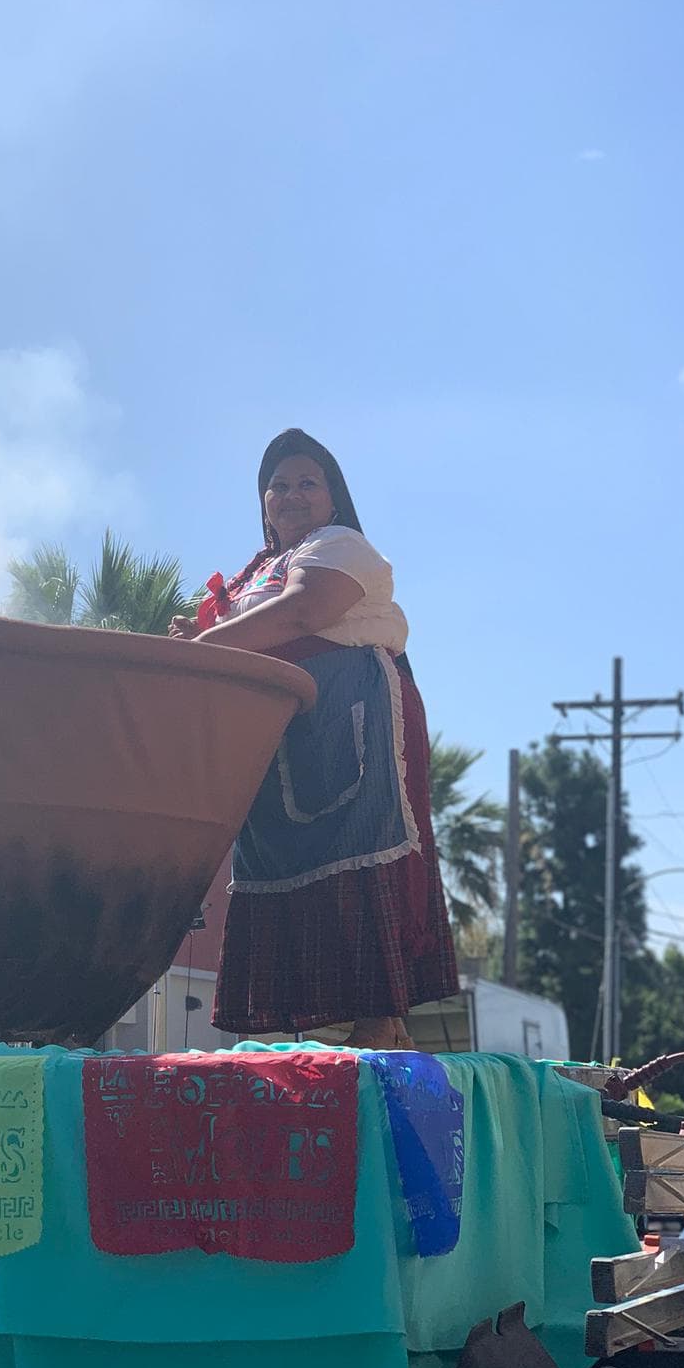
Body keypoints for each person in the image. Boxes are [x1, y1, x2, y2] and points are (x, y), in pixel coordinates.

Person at [171, 428, 457, 1050]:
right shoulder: (254, 575)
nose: (291, 494)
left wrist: (195, 647)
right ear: (263, 502)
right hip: (278, 748)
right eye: (278, 486)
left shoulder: (340, 545)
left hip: (352, 726)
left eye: (307, 483)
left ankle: (383, 1051)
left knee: (359, 869)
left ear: (332, 499)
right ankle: (322, 1075)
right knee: (288, 873)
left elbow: (303, 613)